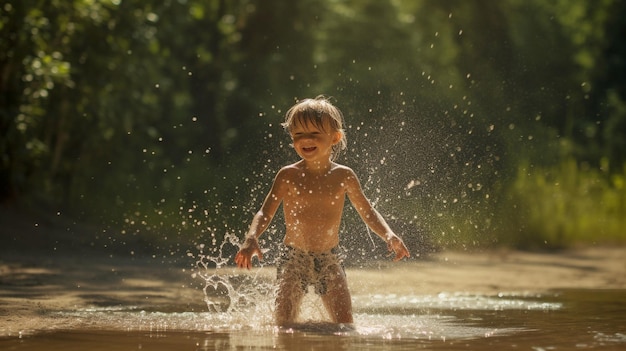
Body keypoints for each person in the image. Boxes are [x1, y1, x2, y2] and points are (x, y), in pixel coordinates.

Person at [235, 95, 410, 326]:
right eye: (298, 135)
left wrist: (388, 234)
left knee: (345, 326)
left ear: (335, 137)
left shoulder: (343, 176)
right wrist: (251, 237)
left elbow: (367, 211)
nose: (305, 140)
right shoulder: (288, 175)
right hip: (293, 259)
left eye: (314, 134)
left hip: (329, 260)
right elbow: (264, 212)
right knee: (283, 325)